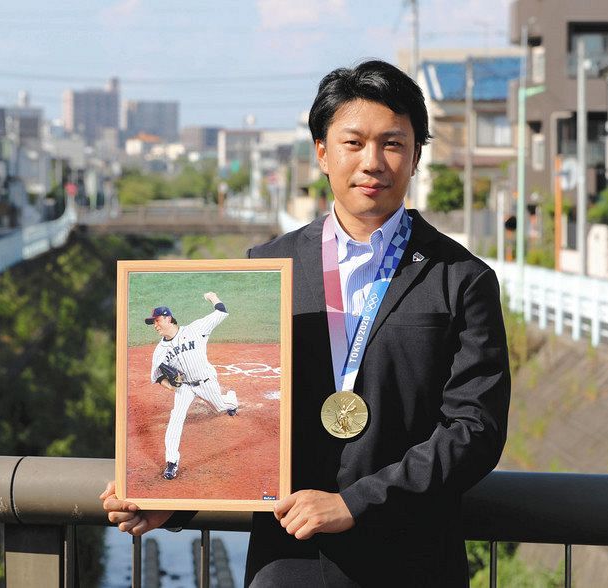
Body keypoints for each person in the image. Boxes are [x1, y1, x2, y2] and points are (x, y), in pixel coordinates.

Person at [102, 60, 510, 587]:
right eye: (353, 142)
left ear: (415, 157)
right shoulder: (269, 268)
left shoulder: (461, 279)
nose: (373, 161)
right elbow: (254, 425)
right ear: (321, 152)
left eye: (393, 143)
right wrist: (168, 506)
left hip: (415, 559)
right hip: (288, 559)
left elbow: (475, 431)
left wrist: (355, 503)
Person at [146, 292, 238, 480]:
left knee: (220, 406)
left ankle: (231, 400)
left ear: (168, 318)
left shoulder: (196, 329)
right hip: (184, 388)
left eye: (156, 321)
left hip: (206, 381)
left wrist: (213, 297)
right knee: (176, 418)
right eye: (153, 323)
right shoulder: (160, 351)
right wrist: (172, 387)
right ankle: (172, 462)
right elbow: (157, 377)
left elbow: (221, 312)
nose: (155, 326)